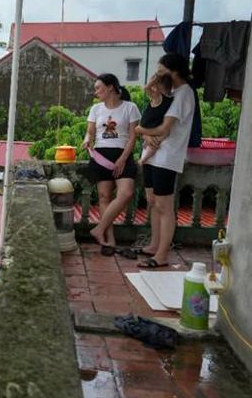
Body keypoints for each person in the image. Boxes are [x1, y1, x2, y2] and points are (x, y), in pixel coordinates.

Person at [135, 53, 196, 268]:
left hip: (167, 156)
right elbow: (155, 120)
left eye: (161, 71)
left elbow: (164, 128)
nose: (158, 75)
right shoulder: (169, 93)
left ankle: (161, 255)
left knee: (164, 205)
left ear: (174, 71)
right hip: (153, 154)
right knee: (152, 201)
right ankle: (153, 245)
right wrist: (145, 134)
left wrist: (141, 130)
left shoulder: (184, 93)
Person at [82, 73, 141, 255]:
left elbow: (133, 137)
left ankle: (98, 229)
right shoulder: (96, 109)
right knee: (104, 197)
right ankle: (110, 240)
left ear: (110, 87)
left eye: (98, 88)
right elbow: (90, 132)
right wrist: (86, 140)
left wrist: (122, 159)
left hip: (122, 154)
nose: (96, 92)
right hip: (101, 155)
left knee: (126, 193)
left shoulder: (130, 108)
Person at [138, 74, 174, 166]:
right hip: (150, 126)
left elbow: (147, 88)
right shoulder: (157, 97)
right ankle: (144, 158)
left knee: (156, 141)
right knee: (154, 142)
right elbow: (147, 88)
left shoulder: (163, 97)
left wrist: (156, 79)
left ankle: (144, 158)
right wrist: (156, 79)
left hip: (155, 126)